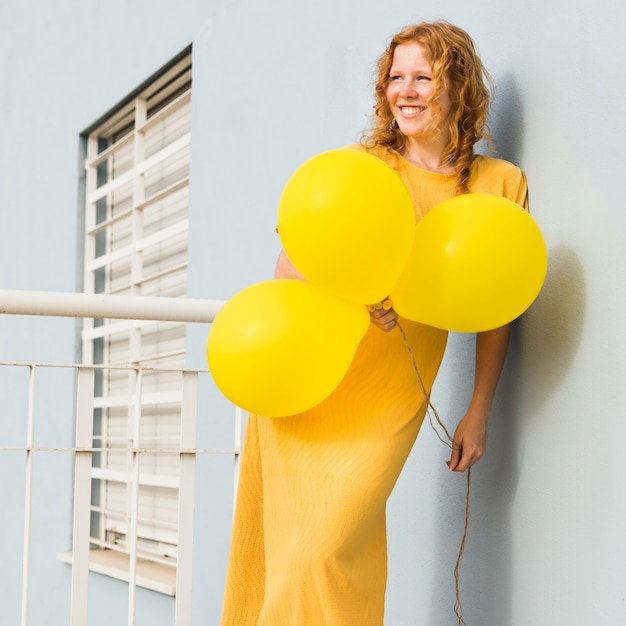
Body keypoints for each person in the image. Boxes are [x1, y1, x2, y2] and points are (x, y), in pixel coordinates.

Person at [220, 20, 528, 625]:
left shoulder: (498, 184)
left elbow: (500, 307)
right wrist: (360, 299)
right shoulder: (363, 168)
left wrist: (479, 408)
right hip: (310, 382)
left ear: (457, 85)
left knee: (330, 546)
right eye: (395, 77)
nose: (405, 91)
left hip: (388, 392)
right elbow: (292, 274)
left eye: (423, 76)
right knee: (297, 555)